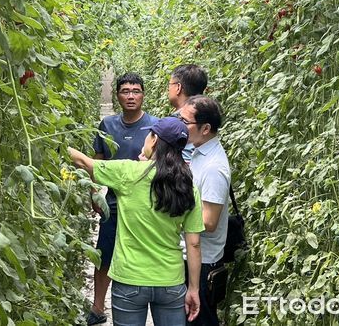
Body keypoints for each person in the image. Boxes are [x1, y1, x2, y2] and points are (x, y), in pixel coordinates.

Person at [69, 117, 204, 326]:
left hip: (129, 279)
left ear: (154, 141)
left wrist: (57, 144)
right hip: (170, 281)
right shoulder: (187, 187)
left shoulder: (129, 173)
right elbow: (194, 244)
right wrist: (193, 288)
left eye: (149, 135)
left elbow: (83, 162)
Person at [87, 73, 158, 325]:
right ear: (117, 95)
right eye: (125, 91)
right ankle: (97, 308)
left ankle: (142, 304)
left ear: (143, 95)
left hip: (145, 207)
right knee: (104, 254)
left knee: (143, 254)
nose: (131, 96)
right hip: (114, 205)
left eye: (136, 91)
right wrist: (94, 192)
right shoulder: (107, 125)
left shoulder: (154, 127)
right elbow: (98, 161)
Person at [177, 96, 231, 326]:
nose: (180, 127)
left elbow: (208, 222)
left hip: (202, 263)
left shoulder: (214, 168)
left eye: (185, 122)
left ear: (206, 128)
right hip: (192, 258)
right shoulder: (199, 153)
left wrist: (172, 215)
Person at [167, 65, 208, 163]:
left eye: (169, 85)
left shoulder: (177, 121)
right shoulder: (207, 118)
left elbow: (185, 160)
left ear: (178, 87)